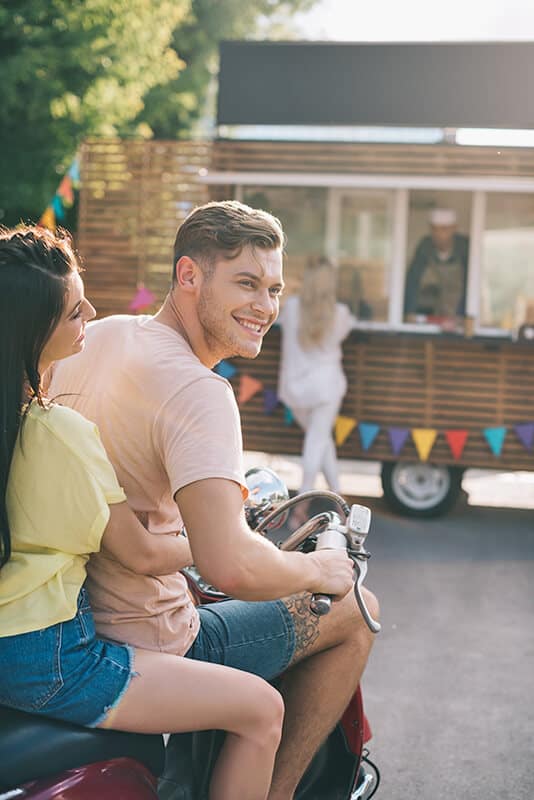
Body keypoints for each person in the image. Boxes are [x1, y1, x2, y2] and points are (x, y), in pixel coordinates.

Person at [49, 201, 378, 800]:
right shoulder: (201, 391)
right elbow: (231, 565)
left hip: (67, 619)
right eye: (247, 284)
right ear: (189, 276)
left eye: (275, 289)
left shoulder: (98, 335)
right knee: (357, 608)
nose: (265, 307)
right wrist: (319, 568)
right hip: (149, 635)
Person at [0, 224, 303, 800]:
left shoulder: (20, 419)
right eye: (73, 313)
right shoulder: (60, 434)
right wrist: (218, 534)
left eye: (274, 289)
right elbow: (143, 554)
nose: (92, 312)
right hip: (55, 659)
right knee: (262, 708)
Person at [277, 257, 357, 495]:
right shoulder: (341, 314)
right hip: (327, 387)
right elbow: (350, 325)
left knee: (321, 441)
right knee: (318, 441)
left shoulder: (291, 308)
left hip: (295, 389)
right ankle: (304, 496)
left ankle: (337, 497)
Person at [404, 207, 469, 319]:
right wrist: (409, 311)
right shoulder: (426, 245)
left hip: (461, 303)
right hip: (439, 301)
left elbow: (469, 284)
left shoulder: (464, 246)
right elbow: (413, 280)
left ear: (454, 228)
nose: (439, 234)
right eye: (435, 229)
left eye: (444, 229)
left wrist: (461, 315)